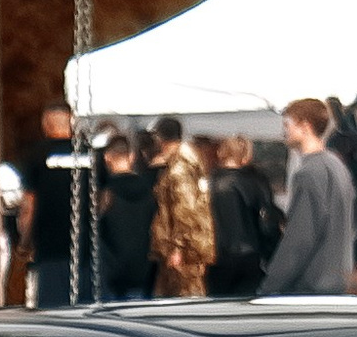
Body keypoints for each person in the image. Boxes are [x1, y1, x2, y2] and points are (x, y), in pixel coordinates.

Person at [261, 98, 356, 297]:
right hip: (339, 281)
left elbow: (300, 238)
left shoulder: (310, 172)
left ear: (305, 126)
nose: (284, 132)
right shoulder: (337, 167)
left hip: (312, 286)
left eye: (287, 125)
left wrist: (270, 286)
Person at [15, 99, 81, 308]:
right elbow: (105, 201)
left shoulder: (35, 156)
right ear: (71, 122)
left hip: (50, 250)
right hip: (86, 252)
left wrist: (24, 243)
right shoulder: (89, 154)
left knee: (54, 314)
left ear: (46, 124)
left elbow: (29, 206)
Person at [148, 114, 217, 295]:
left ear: (160, 138)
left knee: (185, 298)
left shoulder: (180, 170)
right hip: (188, 245)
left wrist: (178, 248)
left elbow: (184, 210)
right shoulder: (185, 162)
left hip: (185, 250)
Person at [205, 133, 280, 299]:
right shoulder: (257, 181)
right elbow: (268, 222)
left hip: (217, 256)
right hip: (251, 255)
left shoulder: (208, 183)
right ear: (246, 154)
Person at [95, 129, 158, 299]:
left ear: (107, 158)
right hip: (144, 271)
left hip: (111, 275)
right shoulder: (150, 191)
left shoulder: (106, 195)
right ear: (131, 157)